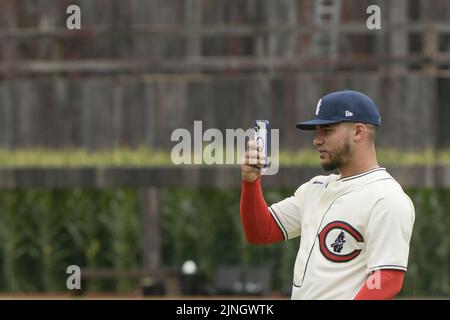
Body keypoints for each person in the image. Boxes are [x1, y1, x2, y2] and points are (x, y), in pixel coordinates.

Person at [240, 90, 415, 300]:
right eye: (317, 131)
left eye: (327, 130)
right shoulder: (314, 188)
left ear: (358, 132)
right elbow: (261, 232)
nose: (316, 140)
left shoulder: (386, 197)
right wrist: (251, 182)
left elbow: (387, 279)